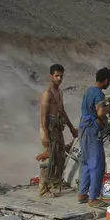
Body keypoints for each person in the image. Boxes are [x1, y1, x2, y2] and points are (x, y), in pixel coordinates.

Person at [77, 67, 110, 207]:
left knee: (87, 163)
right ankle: (93, 198)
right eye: (109, 81)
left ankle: (82, 194)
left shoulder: (88, 91)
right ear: (106, 80)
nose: (109, 83)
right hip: (92, 131)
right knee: (97, 165)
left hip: (83, 129)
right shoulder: (99, 94)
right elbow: (100, 112)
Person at [38, 63, 78, 197]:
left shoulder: (59, 92)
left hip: (57, 128)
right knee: (48, 159)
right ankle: (43, 190)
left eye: (61, 76)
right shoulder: (47, 94)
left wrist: (71, 127)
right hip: (49, 128)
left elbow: (62, 111)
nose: (59, 78)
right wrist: (45, 135)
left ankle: (54, 183)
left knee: (60, 157)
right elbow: (43, 116)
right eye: (57, 76)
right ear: (51, 76)